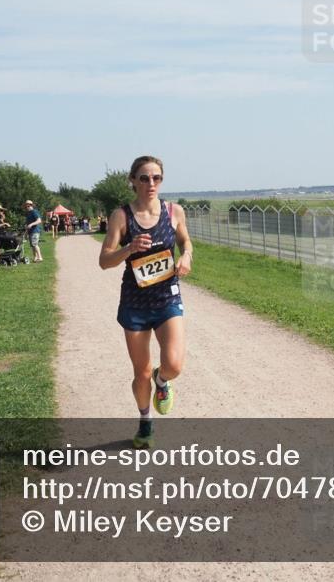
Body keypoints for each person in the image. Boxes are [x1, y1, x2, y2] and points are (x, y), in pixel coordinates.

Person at [99, 155, 192, 449]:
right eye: (144, 178)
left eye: (156, 178)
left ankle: (162, 381)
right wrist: (128, 248)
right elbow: (104, 261)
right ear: (133, 181)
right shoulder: (121, 216)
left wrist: (186, 255)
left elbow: (185, 242)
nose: (151, 183)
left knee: (174, 364)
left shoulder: (174, 211)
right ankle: (145, 422)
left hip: (167, 297)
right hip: (135, 303)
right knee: (140, 373)